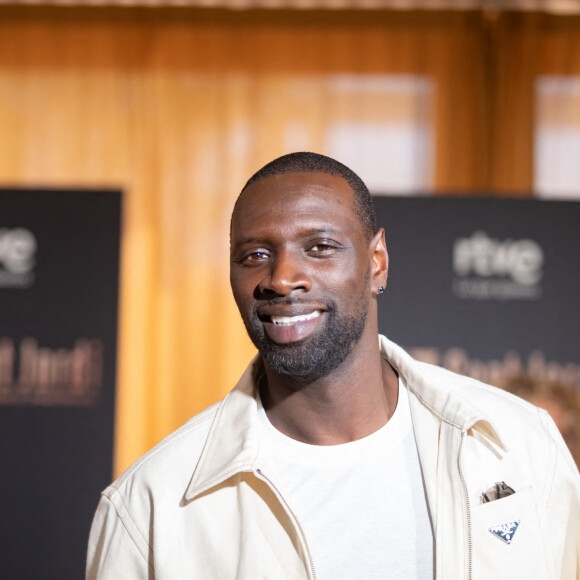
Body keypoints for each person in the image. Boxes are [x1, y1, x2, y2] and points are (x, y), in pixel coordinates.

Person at [86, 152, 580, 580]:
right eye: (255, 254)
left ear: (377, 262)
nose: (281, 278)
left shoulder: (519, 444)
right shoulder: (150, 505)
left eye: (319, 247)